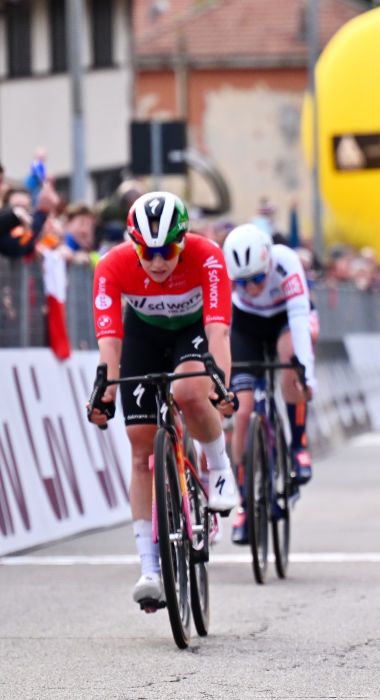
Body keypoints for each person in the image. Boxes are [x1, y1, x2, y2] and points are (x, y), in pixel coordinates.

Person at [86, 191, 239, 609]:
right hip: (144, 335)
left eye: (167, 251)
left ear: (183, 241)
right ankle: (150, 569)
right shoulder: (112, 265)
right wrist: (106, 392)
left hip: (193, 331)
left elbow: (219, 332)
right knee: (140, 448)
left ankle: (219, 468)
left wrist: (220, 385)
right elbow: (110, 342)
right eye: (147, 252)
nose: (157, 262)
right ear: (133, 245)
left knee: (189, 392)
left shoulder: (207, 257)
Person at [220, 223, 318, 544]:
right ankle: (245, 503)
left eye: (258, 279)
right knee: (243, 411)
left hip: (285, 318)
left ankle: (299, 444)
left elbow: (300, 319)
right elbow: (217, 326)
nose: (251, 287)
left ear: (268, 264)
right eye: (242, 282)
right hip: (246, 325)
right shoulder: (228, 276)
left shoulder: (285, 261)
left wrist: (306, 372)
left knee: (291, 363)